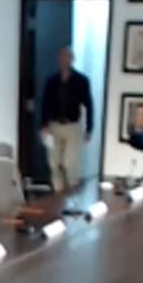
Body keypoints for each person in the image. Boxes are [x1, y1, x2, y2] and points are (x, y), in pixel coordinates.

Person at [39, 47, 94, 192]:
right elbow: (45, 104)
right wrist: (43, 125)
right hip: (54, 125)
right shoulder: (52, 81)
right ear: (59, 59)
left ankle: (71, 192)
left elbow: (89, 105)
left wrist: (89, 128)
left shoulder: (81, 81)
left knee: (71, 163)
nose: (65, 60)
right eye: (62, 57)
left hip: (72, 126)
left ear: (72, 59)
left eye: (68, 57)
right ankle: (58, 193)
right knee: (54, 162)